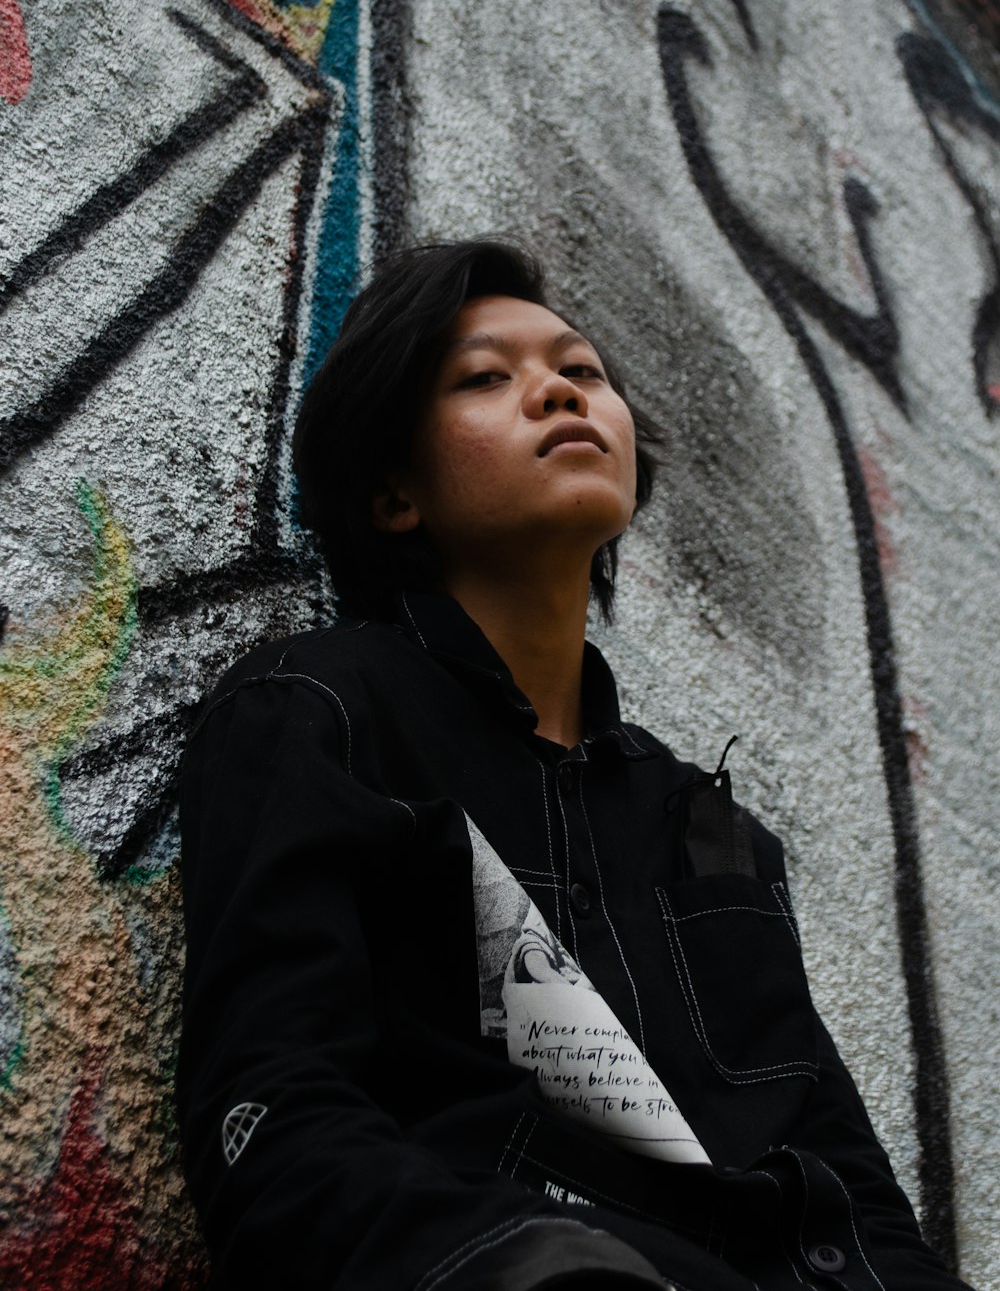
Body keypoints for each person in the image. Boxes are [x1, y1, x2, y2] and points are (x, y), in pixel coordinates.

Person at [176, 238, 974, 1291]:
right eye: (484, 378)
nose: (557, 389)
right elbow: (271, 1112)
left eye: (582, 371)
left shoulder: (701, 824)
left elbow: (846, 1176)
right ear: (393, 495)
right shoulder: (318, 712)